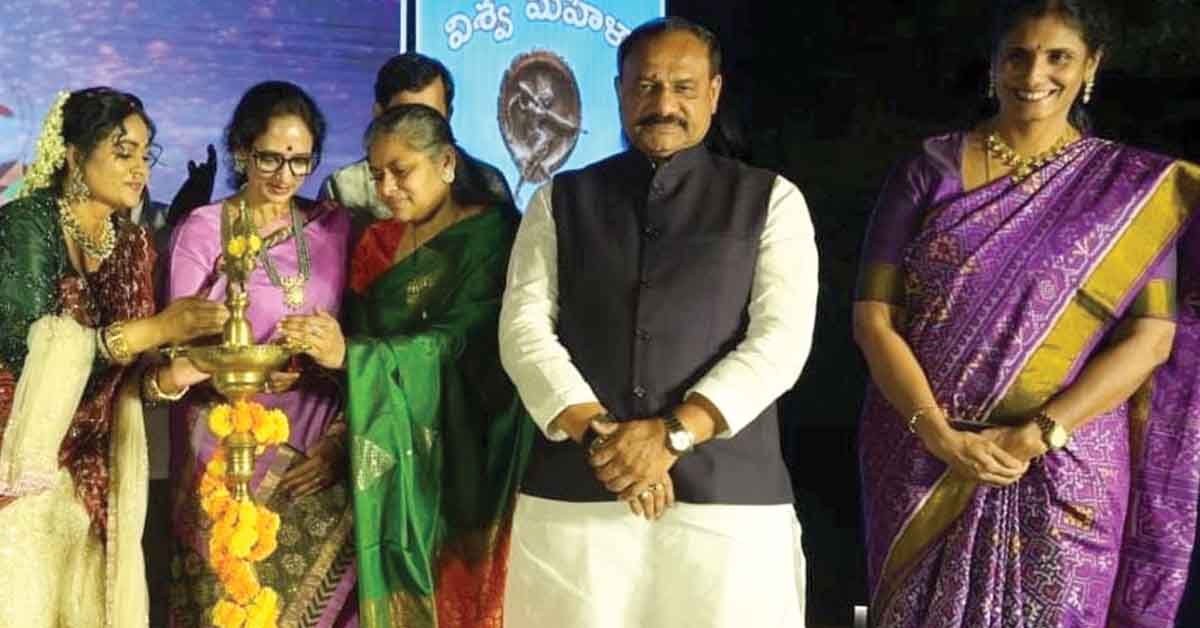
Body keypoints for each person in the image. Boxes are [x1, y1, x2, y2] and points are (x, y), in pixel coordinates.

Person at [853, 1, 1200, 625]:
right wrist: (937, 433)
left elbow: (1151, 339)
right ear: (994, 64)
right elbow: (874, 319)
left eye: (1059, 56)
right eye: (1018, 55)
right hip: (927, 455)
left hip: (1063, 462)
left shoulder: (1126, 191)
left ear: (1091, 66)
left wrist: (1039, 433)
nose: (1035, 74)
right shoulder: (929, 169)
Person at [498, 17, 817, 627]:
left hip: (728, 507)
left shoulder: (771, 199)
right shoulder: (559, 200)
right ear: (619, 91)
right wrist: (603, 439)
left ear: (714, 93)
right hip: (579, 500)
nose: (664, 104)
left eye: (683, 87)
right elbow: (523, 330)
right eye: (646, 86)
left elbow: (780, 341)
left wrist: (673, 434)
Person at [279, 103, 533, 627]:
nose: (387, 189)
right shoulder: (377, 243)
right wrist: (321, 363)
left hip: (470, 453)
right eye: (377, 175)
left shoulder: (495, 237)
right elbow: (356, 345)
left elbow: (465, 341)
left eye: (401, 171)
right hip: (387, 445)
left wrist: (352, 356)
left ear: (446, 163)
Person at [0, 87, 228, 627]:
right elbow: (26, 350)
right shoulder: (27, 223)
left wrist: (181, 371)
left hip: (97, 473)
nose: (139, 169)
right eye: (123, 152)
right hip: (22, 463)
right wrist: (157, 328)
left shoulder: (133, 245)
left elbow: (128, 381)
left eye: (146, 154)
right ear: (75, 156)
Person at [164, 81, 357, 628]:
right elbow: (179, 343)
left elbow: (360, 337)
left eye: (300, 161)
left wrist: (339, 438)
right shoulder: (205, 229)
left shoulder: (335, 227)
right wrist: (243, 365)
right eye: (270, 157)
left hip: (316, 439)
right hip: (224, 441)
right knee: (229, 599)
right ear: (241, 151)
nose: (284, 175)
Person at [319, 52, 511, 224]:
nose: (418, 130)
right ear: (378, 114)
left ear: (449, 115)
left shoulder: (485, 184)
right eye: (404, 118)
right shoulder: (344, 189)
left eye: (430, 118)